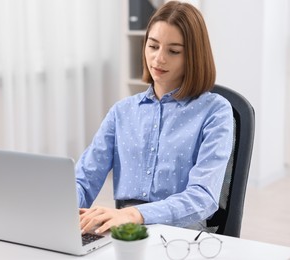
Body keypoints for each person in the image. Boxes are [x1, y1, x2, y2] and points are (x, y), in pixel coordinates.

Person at [76, 1, 233, 235]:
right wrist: (58, 205)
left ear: (194, 56)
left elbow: (203, 197)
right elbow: (85, 178)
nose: (158, 59)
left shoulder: (215, 111)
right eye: (153, 46)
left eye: (174, 51)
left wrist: (135, 215)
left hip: (182, 234)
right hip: (124, 229)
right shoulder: (122, 111)